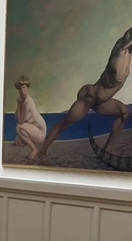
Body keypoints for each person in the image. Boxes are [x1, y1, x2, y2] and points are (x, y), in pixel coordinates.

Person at [37, 26, 132, 162]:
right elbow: (129, 35)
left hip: (102, 102)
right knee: (65, 124)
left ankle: (106, 149)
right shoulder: (121, 49)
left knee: (124, 113)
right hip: (89, 96)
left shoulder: (128, 54)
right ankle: (43, 151)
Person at [13, 75, 47, 161]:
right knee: (18, 141)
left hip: (40, 132)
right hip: (34, 129)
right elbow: (17, 116)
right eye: (20, 88)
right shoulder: (22, 100)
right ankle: (33, 142)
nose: (22, 91)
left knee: (18, 127)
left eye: (24, 87)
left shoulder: (28, 102)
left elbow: (20, 122)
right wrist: (19, 104)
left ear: (27, 87)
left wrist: (20, 104)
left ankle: (34, 149)